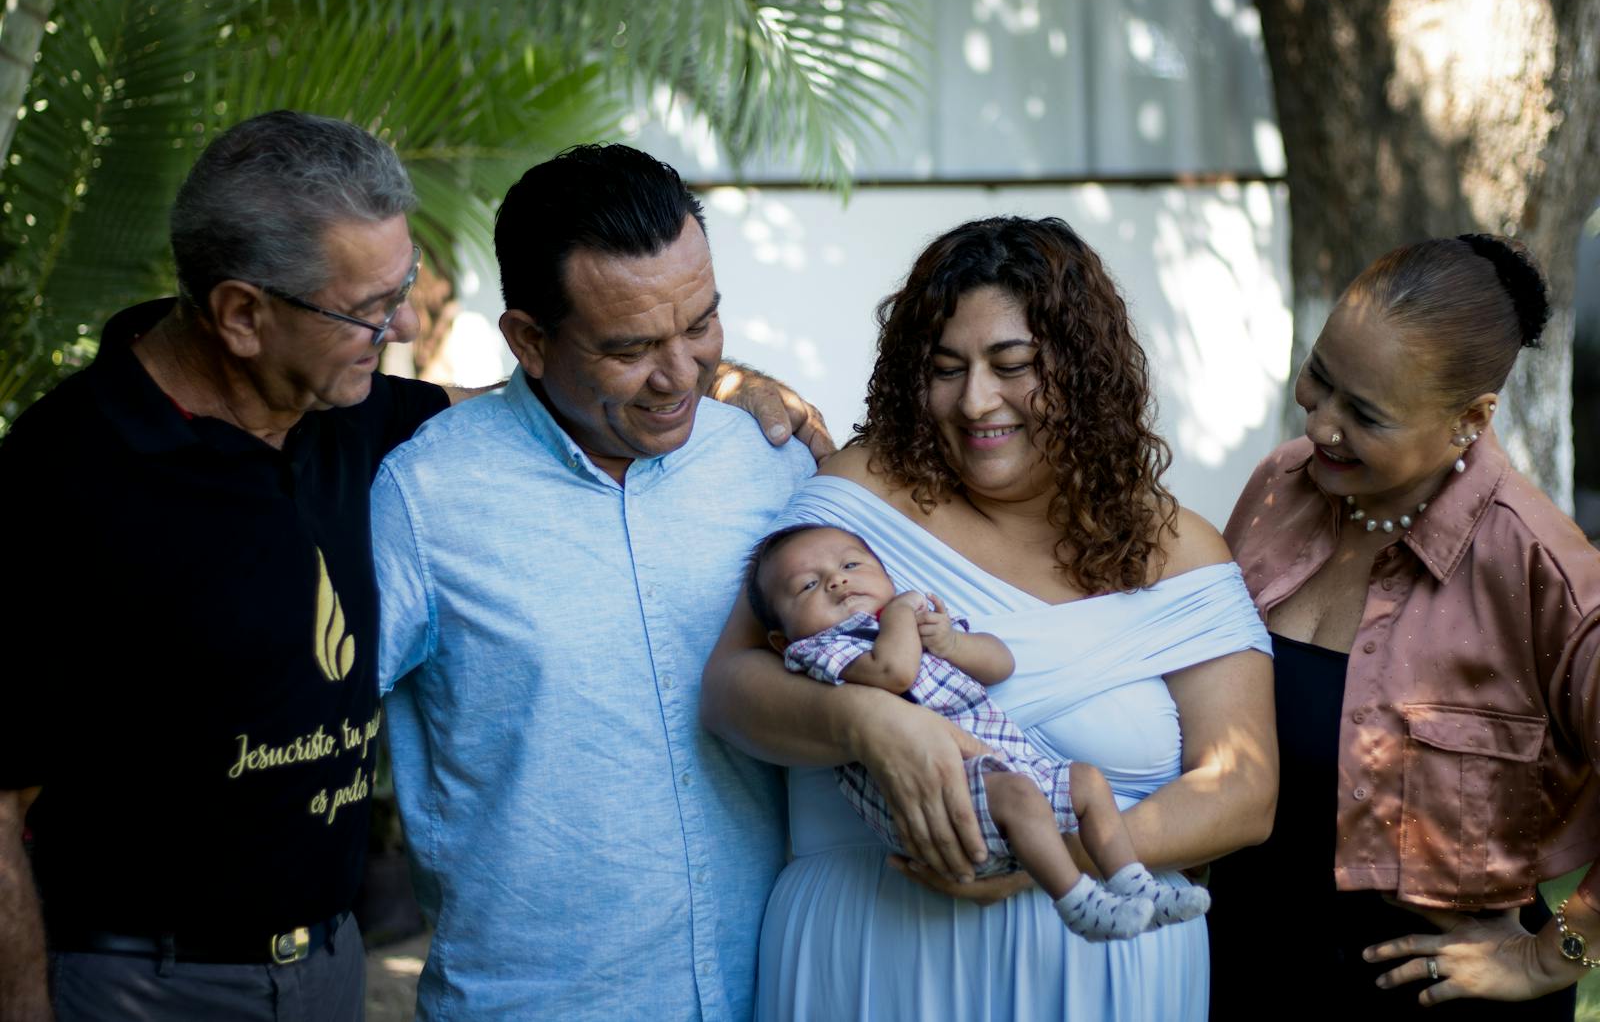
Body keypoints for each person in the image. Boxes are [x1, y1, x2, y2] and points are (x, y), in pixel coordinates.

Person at [0, 114, 824, 1022]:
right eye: (365, 309)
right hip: (148, 978)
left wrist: (732, 379)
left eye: (700, 321)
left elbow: (543, 406)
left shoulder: (353, 411)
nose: (398, 327)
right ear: (243, 315)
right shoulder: (75, 473)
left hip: (338, 966)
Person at [701, 215, 1279, 1021]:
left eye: (1013, 365)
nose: (975, 402)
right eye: (946, 368)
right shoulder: (859, 497)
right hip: (874, 961)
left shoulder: (1179, 549)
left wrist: (1048, 861)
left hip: (1103, 979)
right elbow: (730, 687)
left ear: (1084, 372)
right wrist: (867, 723)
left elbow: (1245, 791)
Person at [370, 143, 817, 1020]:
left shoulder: (773, 468)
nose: (681, 375)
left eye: (701, 326)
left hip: (776, 990)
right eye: (632, 348)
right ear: (529, 340)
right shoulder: (425, 497)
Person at [1208, 235, 1600, 1018]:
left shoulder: (1539, 566)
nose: (1321, 426)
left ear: (1469, 420)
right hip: (1242, 967)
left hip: (1430, 994)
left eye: (1365, 414)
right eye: (1320, 379)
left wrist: (1555, 953)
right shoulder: (1279, 488)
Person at [746, 522, 1213, 940]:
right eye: (807, 585)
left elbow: (1000, 663)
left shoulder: (916, 627)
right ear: (783, 639)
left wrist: (952, 641)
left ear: (887, 578)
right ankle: (1079, 904)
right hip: (939, 804)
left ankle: (1136, 887)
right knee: (1021, 798)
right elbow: (894, 672)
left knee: (1087, 781)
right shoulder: (818, 652)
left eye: (851, 564)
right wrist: (901, 616)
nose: (837, 580)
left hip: (1003, 770)